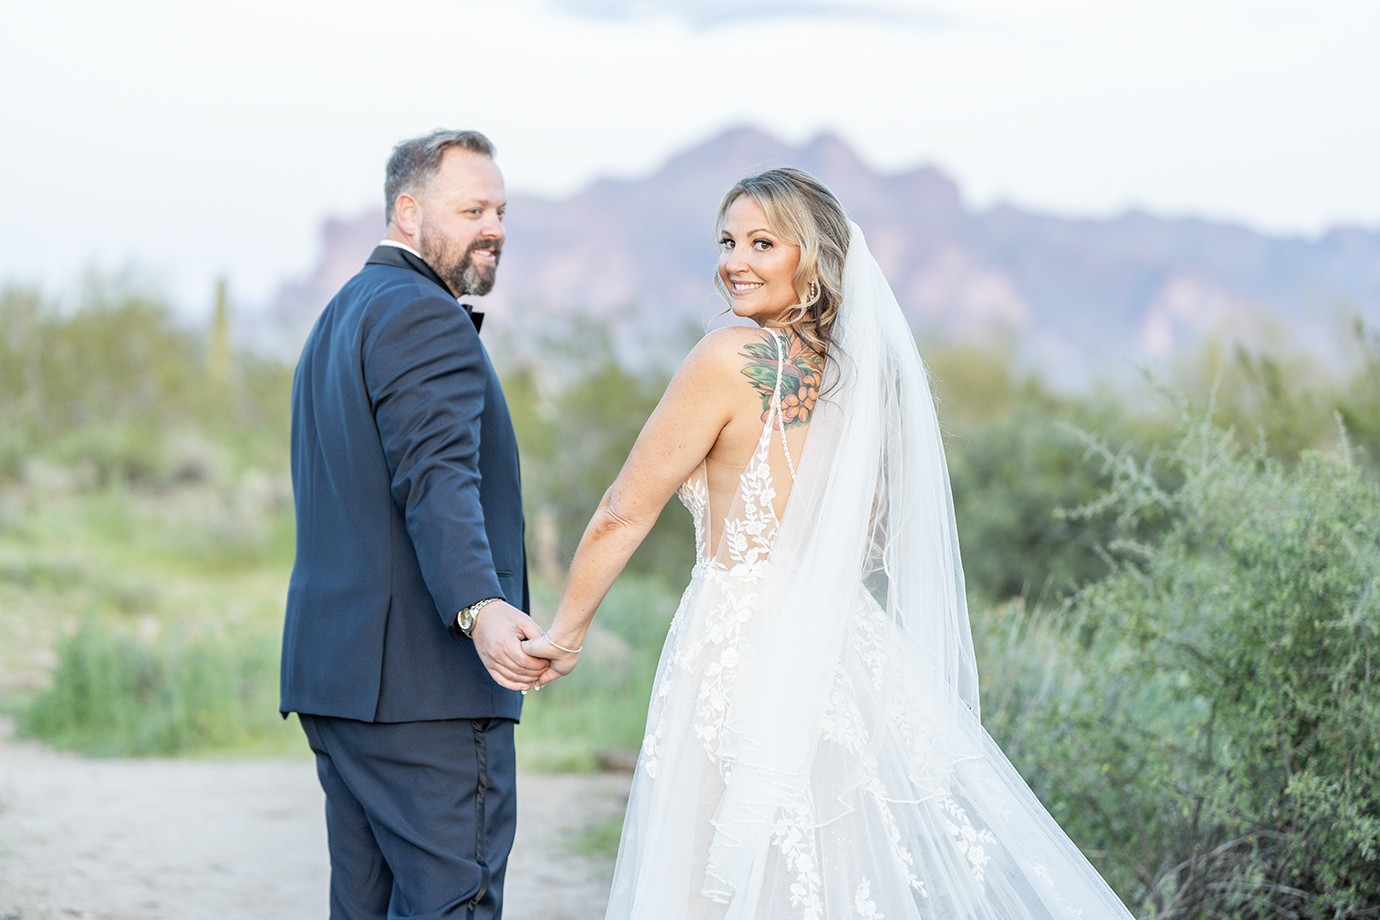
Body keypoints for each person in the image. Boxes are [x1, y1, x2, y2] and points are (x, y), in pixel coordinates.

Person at [524, 168, 1137, 918]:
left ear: (809, 259)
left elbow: (624, 509)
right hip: (841, 649)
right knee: (826, 877)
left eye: (762, 242)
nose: (734, 261)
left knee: (713, 876)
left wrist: (567, 633)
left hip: (737, 644)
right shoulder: (857, 376)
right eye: (727, 241)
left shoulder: (728, 359)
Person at [281, 129, 548, 920]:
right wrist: (480, 605)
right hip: (422, 693)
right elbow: (437, 479)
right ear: (407, 210)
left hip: (342, 684)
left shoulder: (342, 316)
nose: (493, 225)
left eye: (499, 209)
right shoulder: (424, 318)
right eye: (472, 208)